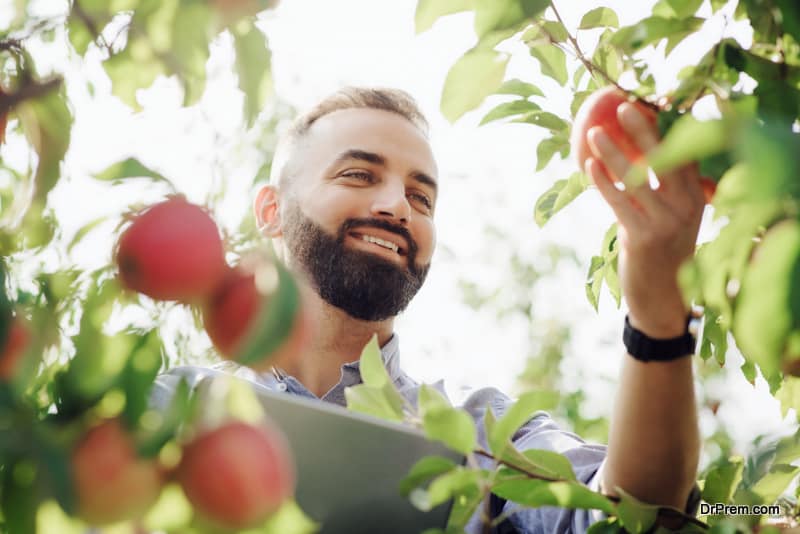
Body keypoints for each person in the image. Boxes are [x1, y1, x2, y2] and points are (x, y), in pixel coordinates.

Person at [152, 87, 704, 532]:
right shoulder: (177, 408)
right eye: (359, 175)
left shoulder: (485, 436)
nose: (397, 207)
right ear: (272, 211)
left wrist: (657, 314)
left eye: (422, 198)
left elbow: (632, 515)